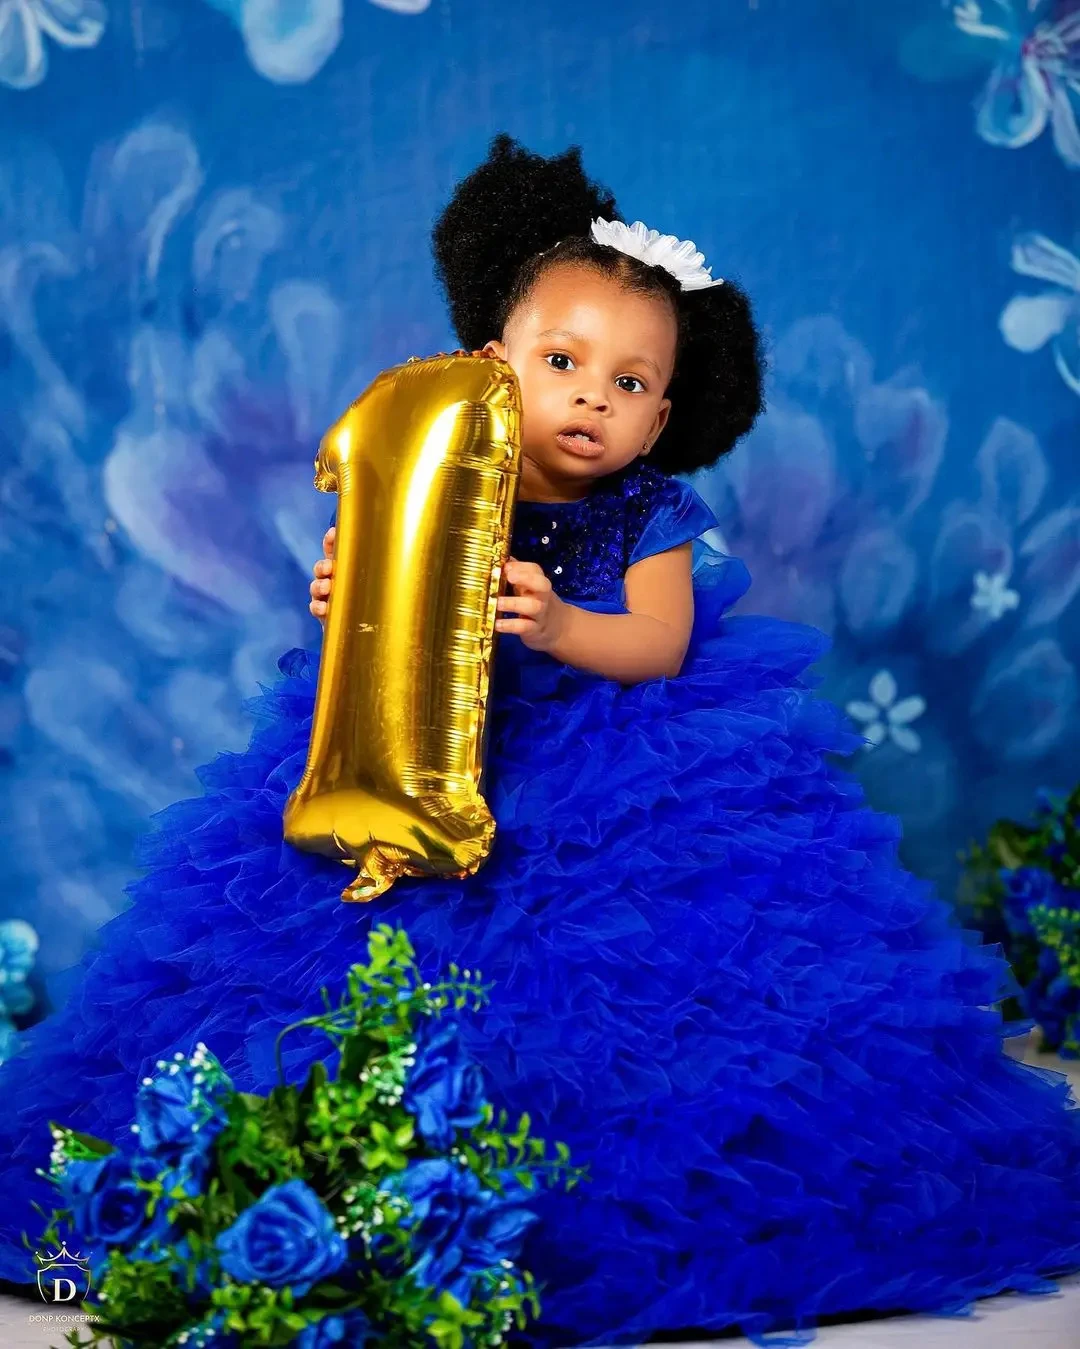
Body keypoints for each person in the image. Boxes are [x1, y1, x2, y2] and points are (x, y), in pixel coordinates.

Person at [1, 132, 1079, 1348]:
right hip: (428, 748)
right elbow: (373, 583)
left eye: (630, 383)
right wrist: (344, 587)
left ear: (664, 413)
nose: (590, 397)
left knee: (626, 984)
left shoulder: (652, 513)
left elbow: (660, 644)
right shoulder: (448, 468)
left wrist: (568, 622)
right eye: (563, 361)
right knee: (333, 951)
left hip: (618, 764)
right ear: (490, 362)